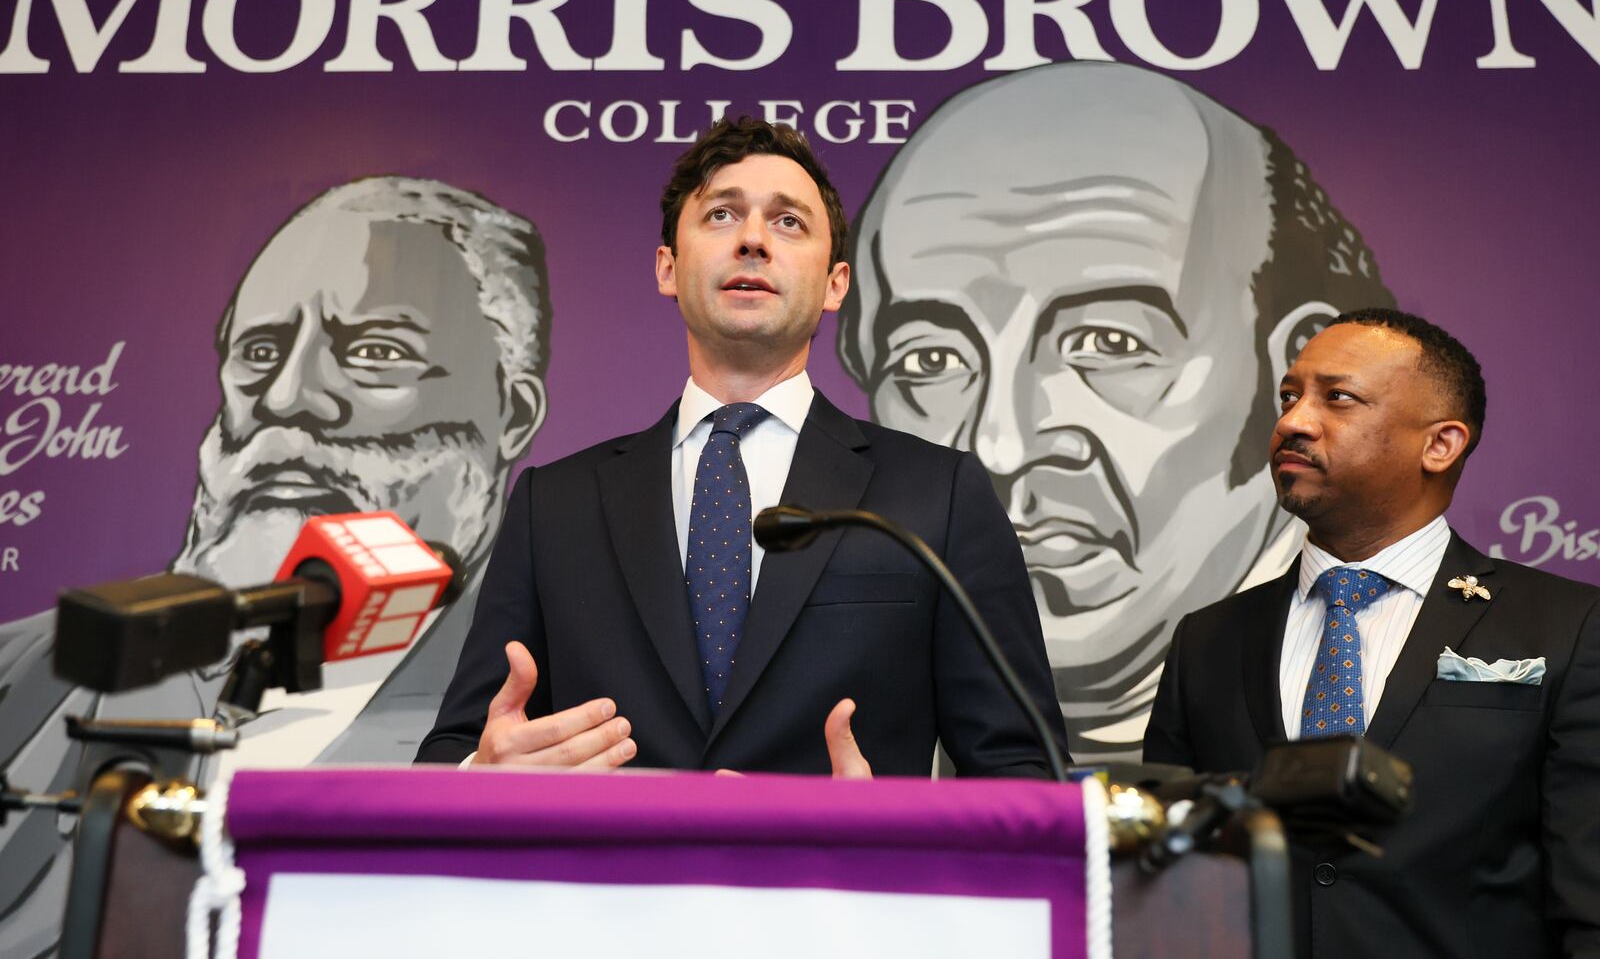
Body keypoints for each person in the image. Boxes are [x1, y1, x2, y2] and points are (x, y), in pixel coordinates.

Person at [0, 177, 551, 959]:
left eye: (375, 352)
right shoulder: (30, 668)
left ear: (514, 412)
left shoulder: (537, 712)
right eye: (259, 352)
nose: (289, 398)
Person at [419, 117, 1064, 776]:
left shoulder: (939, 495)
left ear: (836, 283)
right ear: (668, 267)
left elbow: (1023, 771)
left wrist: (889, 831)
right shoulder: (552, 507)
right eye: (722, 215)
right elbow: (452, 752)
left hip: (844, 880)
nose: (753, 239)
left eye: (789, 222)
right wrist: (482, 773)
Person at [838, 61, 1396, 759]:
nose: (1001, 444)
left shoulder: (1396, 652)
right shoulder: (828, 720)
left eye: (1108, 342)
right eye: (929, 361)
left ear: (1285, 377)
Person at [1144, 308, 1600, 958]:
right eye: (1289, 396)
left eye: (1338, 398)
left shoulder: (1569, 627)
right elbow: (1158, 882)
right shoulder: (1207, 641)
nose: (1293, 422)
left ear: (1440, 444)